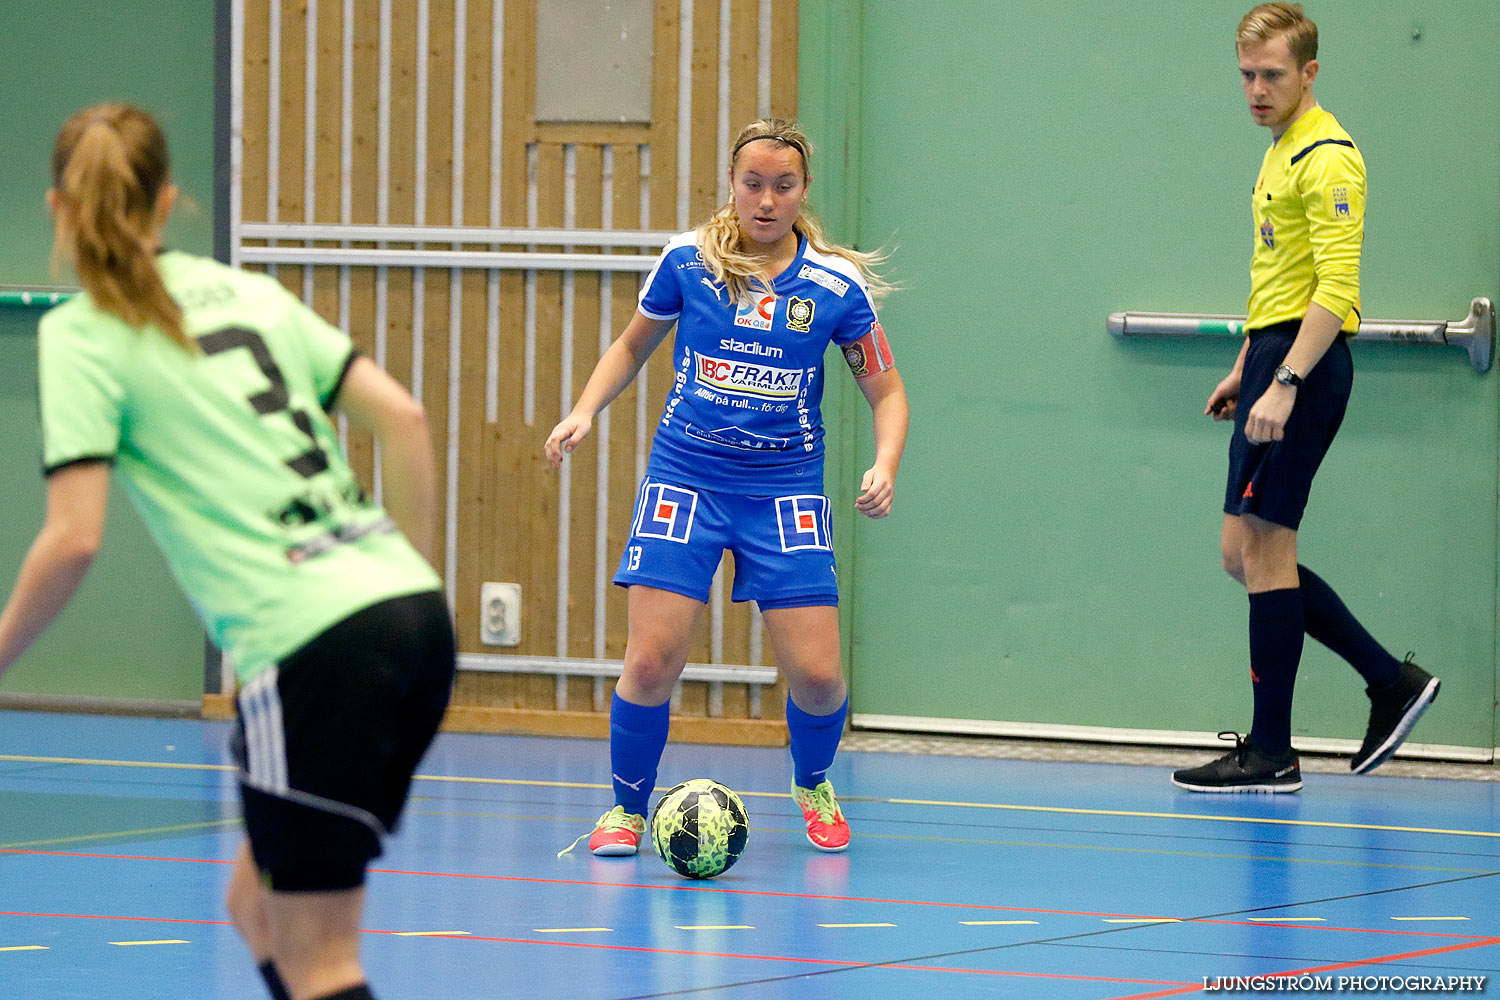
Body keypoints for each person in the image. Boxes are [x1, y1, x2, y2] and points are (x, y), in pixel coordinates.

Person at [0, 103, 455, 1000]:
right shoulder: (245, 291)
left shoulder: (82, 333)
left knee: (323, 959)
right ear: (168, 202)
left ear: (59, 209)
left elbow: (74, 535)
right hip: (411, 617)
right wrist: (415, 585)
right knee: (256, 905)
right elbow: (404, 420)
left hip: (312, 648)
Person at [545, 118, 908, 855]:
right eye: (753, 184)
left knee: (817, 677)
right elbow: (630, 345)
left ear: (803, 191)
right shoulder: (687, 263)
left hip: (784, 491)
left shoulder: (836, 286)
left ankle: (813, 781)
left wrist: (885, 461)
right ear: (733, 186)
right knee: (650, 659)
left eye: (783, 186)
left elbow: (888, 390)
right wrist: (584, 410)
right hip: (687, 477)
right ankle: (625, 810)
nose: (766, 200)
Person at [1172, 4, 1439, 794]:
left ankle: (1274, 749)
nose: (1256, 89)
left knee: (1266, 550)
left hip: (1307, 368)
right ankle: (1388, 681)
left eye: (1273, 75)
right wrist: (1245, 362)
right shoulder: (1279, 151)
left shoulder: (1329, 157)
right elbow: (1278, 280)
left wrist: (1285, 381)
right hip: (1271, 355)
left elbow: (1336, 289)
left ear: (1309, 73)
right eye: (1247, 75)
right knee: (1240, 554)